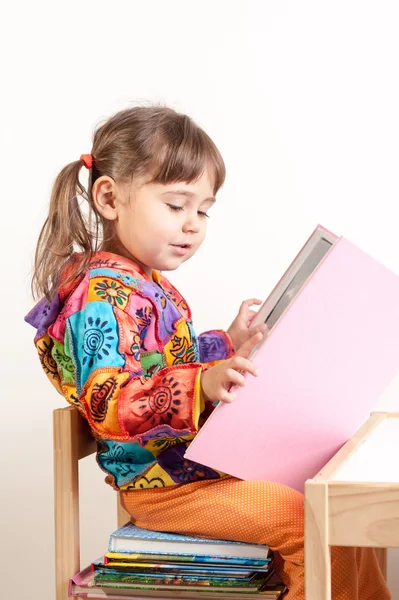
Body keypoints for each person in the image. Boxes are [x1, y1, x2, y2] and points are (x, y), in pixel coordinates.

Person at [25, 105, 390, 600]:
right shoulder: (99, 297)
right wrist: (202, 383)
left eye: (203, 210)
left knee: (334, 497)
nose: (193, 224)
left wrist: (226, 345)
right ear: (110, 197)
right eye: (177, 205)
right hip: (167, 490)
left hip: (196, 468)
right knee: (312, 519)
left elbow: (159, 361)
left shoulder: (143, 285)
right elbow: (110, 402)